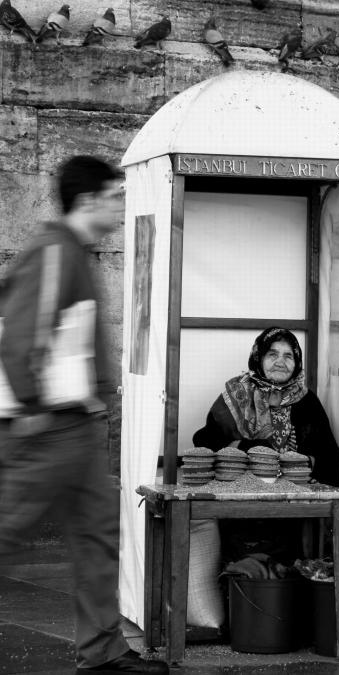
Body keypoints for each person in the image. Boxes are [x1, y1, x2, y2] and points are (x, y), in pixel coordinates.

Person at [0, 156, 168, 674]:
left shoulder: (72, 253)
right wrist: (32, 410)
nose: (121, 207)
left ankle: (102, 651)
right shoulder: (54, 252)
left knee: (97, 538)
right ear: (89, 199)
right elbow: (24, 335)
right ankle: (101, 649)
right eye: (115, 196)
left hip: (74, 429)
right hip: (47, 428)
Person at [193, 327, 339, 560]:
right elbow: (205, 440)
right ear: (259, 358)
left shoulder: (306, 401)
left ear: (297, 363)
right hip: (242, 501)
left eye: (288, 356)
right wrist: (244, 448)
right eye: (272, 354)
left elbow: (330, 455)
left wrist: (299, 465)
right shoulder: (236, 393)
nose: (280, 362)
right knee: (244, 565)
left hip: (293, 504)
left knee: (292, 565)